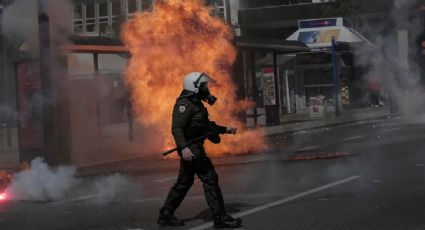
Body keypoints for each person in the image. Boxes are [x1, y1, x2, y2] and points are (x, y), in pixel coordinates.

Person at [158, 72, 242, 228]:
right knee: (209, 178)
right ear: (195, 87)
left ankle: (166, 214)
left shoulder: (197, 104)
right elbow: (177, 128)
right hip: (192, 149)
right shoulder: (185, 105)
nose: (207, 88)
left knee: (185, 182)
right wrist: (184, 148)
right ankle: (219, 217)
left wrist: (225, 130)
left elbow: (206, 127)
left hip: (194, 147)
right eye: (204, 85)